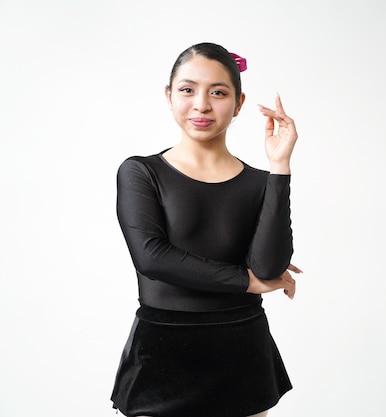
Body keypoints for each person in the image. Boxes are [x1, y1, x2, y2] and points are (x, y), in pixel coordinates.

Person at [110, 42, 301, 417]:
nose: (201, 104)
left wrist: (279, 167)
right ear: (169, 95)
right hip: (162, 352)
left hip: (242, 352)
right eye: (187, 90)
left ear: (239, 102)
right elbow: (152, 257)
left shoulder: (261, 182)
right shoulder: (141, 172)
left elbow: (268, 267)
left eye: (218, 92)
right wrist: (245, 282)